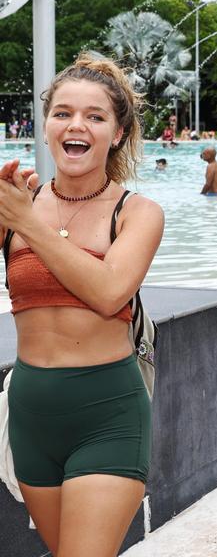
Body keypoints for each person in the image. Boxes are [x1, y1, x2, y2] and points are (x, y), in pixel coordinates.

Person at [0, 54, 163, 555]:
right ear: (46, 126)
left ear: (116, 133)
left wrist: (27, 223)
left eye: (95, 116)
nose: (77, 125)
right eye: (63, 113)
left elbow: (109, 291)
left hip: (107, 414)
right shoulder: (15, 203)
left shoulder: (137, 213)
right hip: (31, 415)